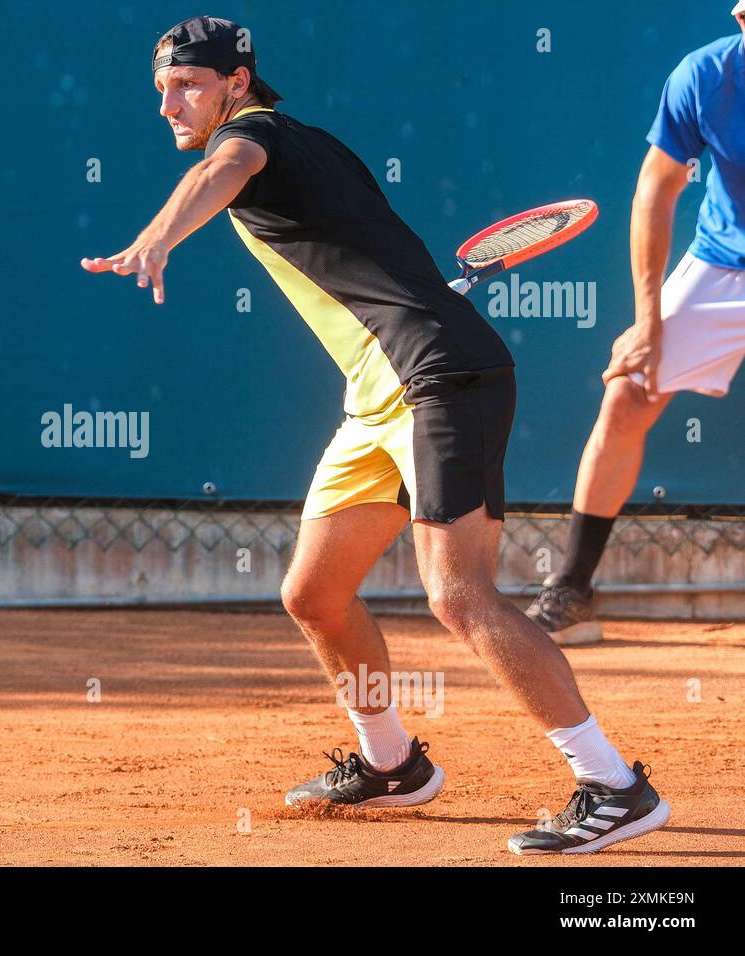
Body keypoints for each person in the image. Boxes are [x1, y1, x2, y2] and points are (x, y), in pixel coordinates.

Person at [81, 15, 670, 854]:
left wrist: (158, 236)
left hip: (439, 377)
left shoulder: (252, 141)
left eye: (189, 86)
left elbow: (226, 166)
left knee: (459, 596)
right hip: (378, 396)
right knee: (314, 594)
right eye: (163, 90)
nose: (171, 104)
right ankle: (393, 765)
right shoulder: (317, 147)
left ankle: (614, 784)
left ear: (237, 85)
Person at [526, 3, 745, 647]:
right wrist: (647, 320)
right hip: (723, 264)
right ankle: (572, 588)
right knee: (627, 393)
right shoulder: (705, 76)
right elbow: (656, 188)